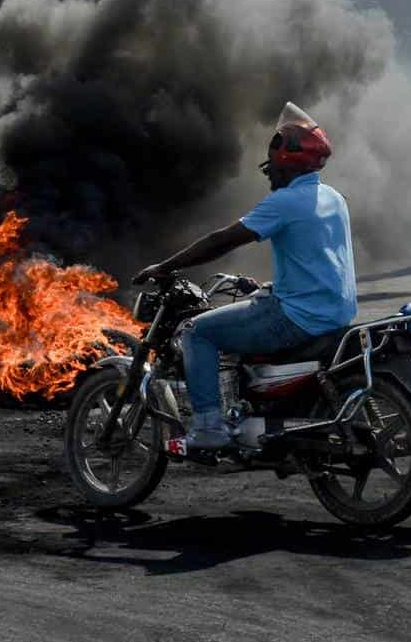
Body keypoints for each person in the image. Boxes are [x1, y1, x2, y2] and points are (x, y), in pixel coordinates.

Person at [135, 104, 357, 463]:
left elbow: (222, 240)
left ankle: (208, 428)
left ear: (287, 163)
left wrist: (166, 265)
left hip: (296, 318)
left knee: (197, 332)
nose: (269, 175)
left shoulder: (284, 202)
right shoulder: (333, 198)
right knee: (246, 313)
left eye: (272, 168)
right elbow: (317, 259)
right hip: (334, 313)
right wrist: (269, 287)